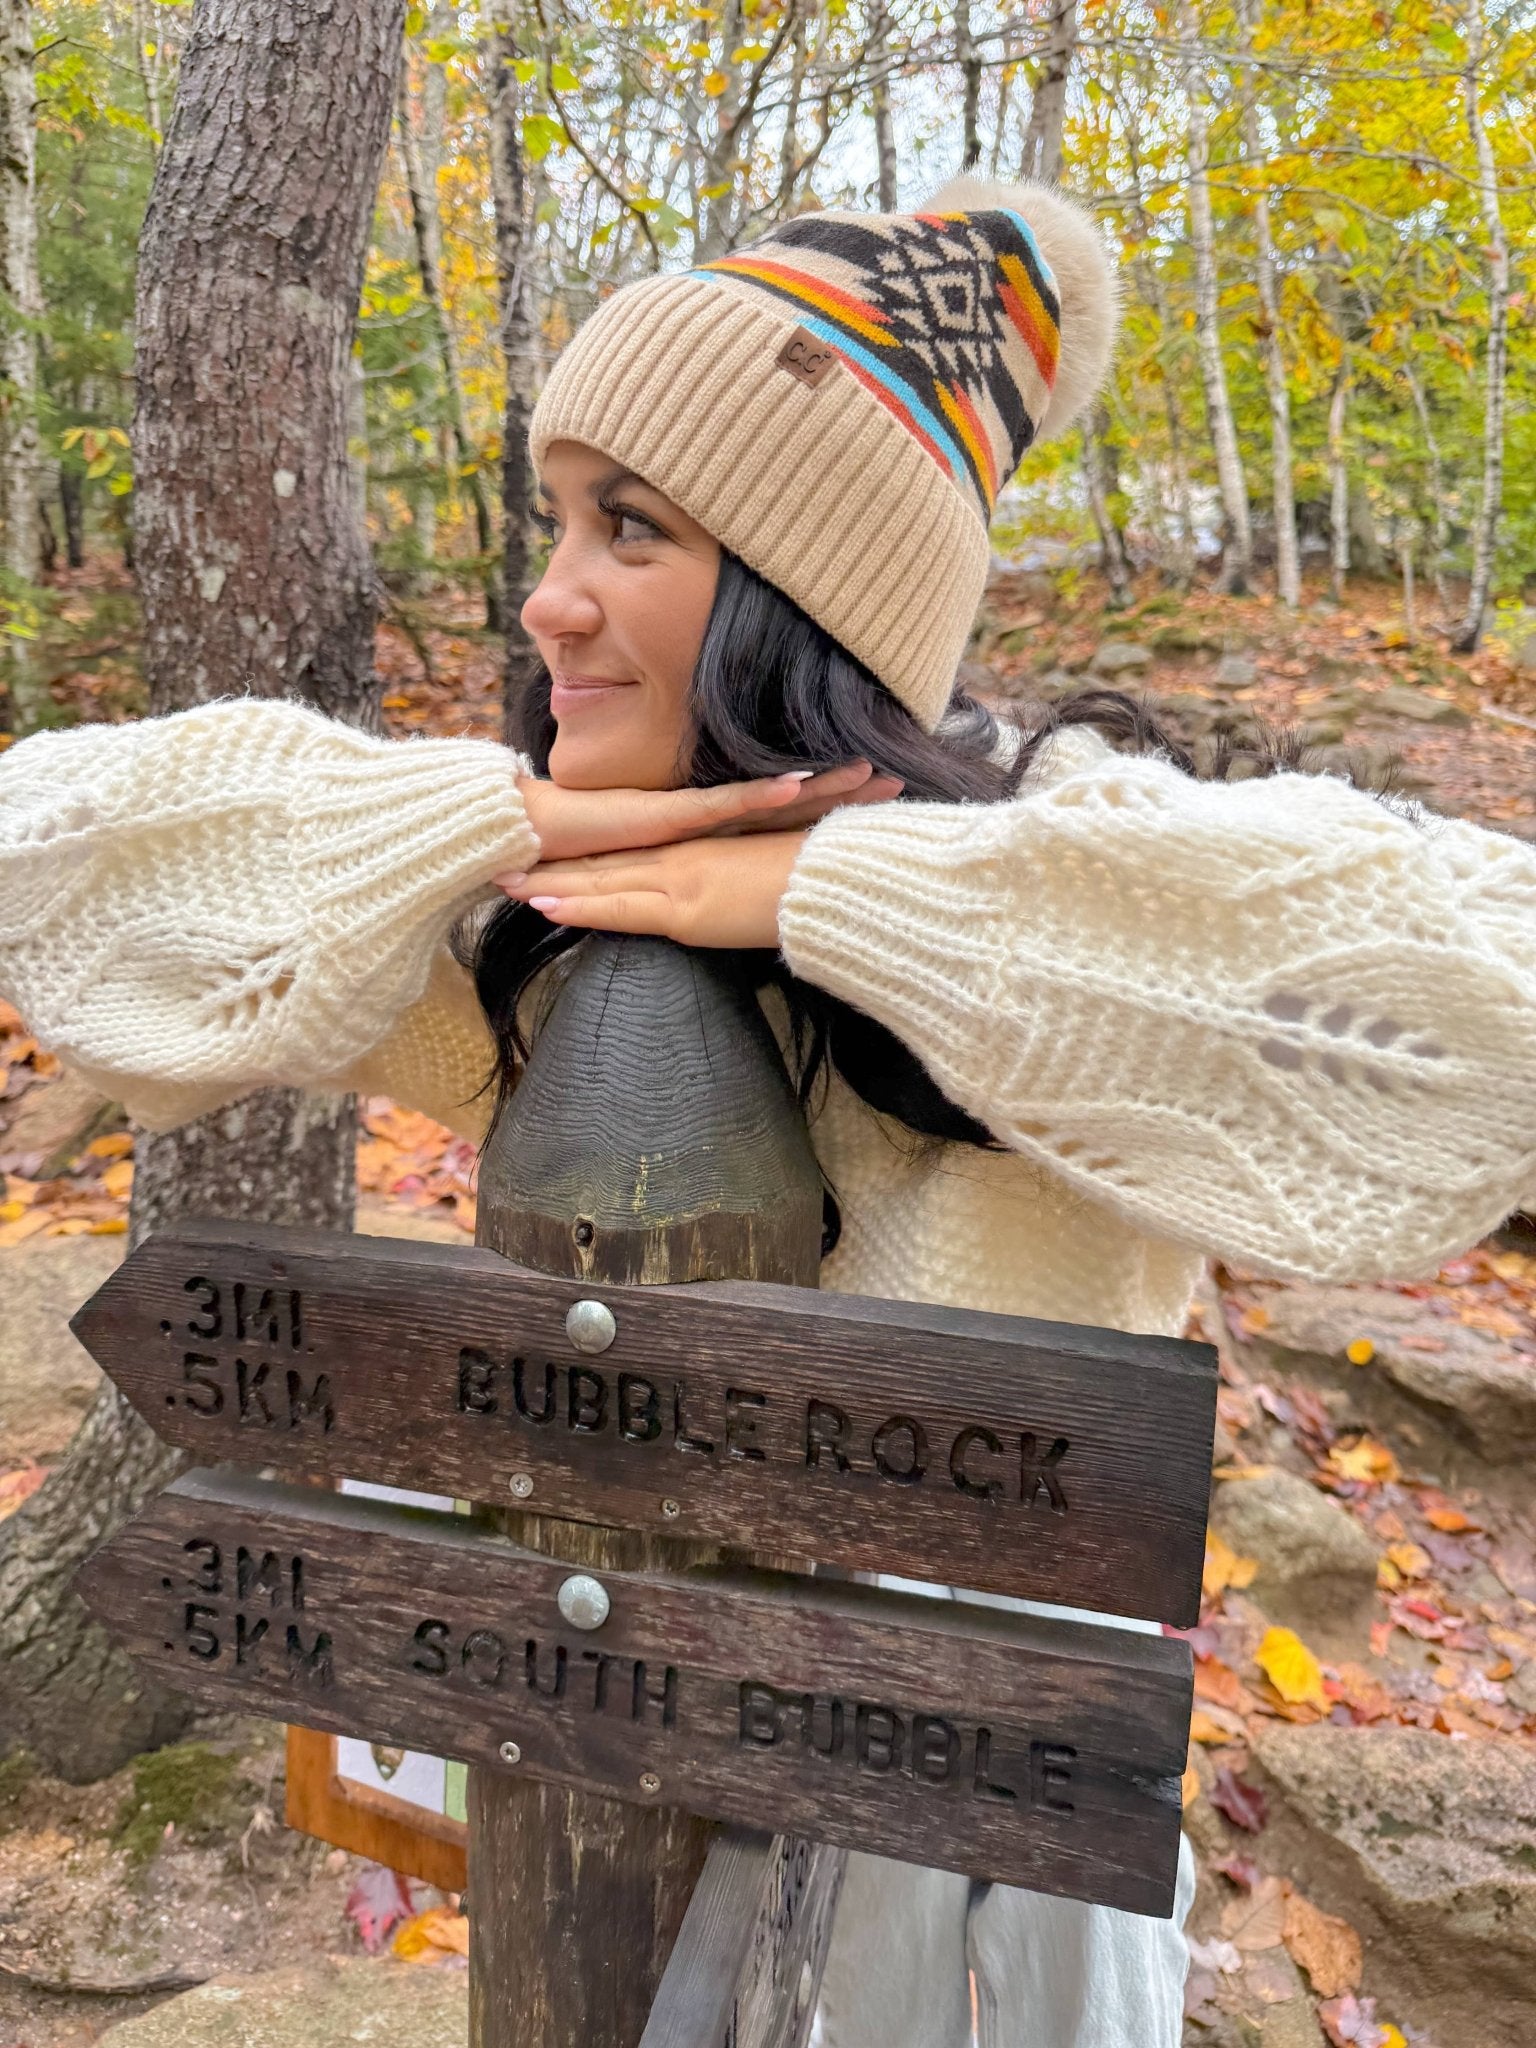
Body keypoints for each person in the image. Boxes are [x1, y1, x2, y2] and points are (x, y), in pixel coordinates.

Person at [3, 174, 1534, 2048]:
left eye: (628, 526)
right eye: (555, 519)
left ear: (810, 588)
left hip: (969, 1897)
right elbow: (47, 865)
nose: (546, 594)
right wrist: (497, 818)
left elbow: (1489, 1032)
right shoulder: (549, 928)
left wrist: (829, 897)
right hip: (620, 1805)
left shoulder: (1071, 858)